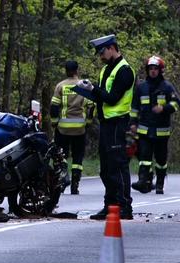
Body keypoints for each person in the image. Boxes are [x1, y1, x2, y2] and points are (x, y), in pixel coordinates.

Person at [75, 34, 135, 220]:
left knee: (118, 166)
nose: (100, 56)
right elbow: (102, 96)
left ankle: (125, 206)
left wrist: (93, 89)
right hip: (106, 124)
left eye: (102, 51)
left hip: (118, 123)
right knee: (106, 168)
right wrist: (88, 91)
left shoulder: (124, 70)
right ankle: (110, 205)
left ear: (112, 48)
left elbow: (113, 98)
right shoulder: (105, 69)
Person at [130, 56, 180, 194]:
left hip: (161, 131)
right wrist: (133, 123)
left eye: (155, 69)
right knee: (144, 157)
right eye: (150, 69)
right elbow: (134, 107)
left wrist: (164, 108)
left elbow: (176, 103)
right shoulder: (141, 87)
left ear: (160, 70)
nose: (153, 71)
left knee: (161, 160)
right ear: (147, 70)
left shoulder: (167, 87)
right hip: (144, 130)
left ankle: (159, 183)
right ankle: (144, 181)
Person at [51, 61, 95, 195]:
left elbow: (54, 107)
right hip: (80, 129)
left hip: (63, 128)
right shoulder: (84, 85)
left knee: (61, 154)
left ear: (66, 70)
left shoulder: (61, 86)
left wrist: (54, 123)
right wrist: (88, 121)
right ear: (77, 70)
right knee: (78, 157)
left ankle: (63, 176)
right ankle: (75, 184)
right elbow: (91, 106)